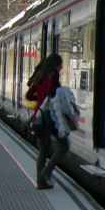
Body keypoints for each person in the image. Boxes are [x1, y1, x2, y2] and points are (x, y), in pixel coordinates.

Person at [35, 54, 79, 189]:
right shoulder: (53, 77)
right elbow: (55, 100)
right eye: (60, 64)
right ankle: (45, 173)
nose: (62, 67)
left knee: (43, 149)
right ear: (56, 65)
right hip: (49, 117)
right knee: (64, 146)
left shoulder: (41, 75)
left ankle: (41, 182)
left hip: (39, 116)